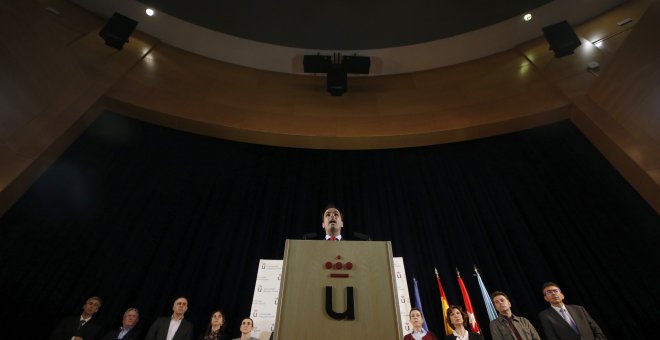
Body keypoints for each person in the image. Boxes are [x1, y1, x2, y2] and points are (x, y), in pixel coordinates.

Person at [538, 282, 606, 340]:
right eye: (549, 292)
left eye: (556, 291)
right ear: (546, 298)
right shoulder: (545, 315)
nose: (553, 293)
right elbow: (552, 337)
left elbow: (596, 330)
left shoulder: (579, 309)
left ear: (562, 295)